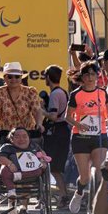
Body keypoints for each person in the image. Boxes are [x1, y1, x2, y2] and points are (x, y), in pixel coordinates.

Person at [67, 62, 108, 214]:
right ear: (82, 77)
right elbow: (68, 117)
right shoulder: (76, 94)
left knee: (99, 172)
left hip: (99, 136)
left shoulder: (103, 93)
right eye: (87, 74)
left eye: (93, 74)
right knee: (85, 177)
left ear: (97, 76)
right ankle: (79, 192)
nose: (90, 77)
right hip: (80, 137)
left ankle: (97, 204)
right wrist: (79, 125)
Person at [0, 128, 52, 214]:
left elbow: (43, 156)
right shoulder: (7, 147)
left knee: (39, 168)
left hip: (30, 175)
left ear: (29, 138)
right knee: (4, 169)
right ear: (11, 139)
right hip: (11, 173)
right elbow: (1, 158)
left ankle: (22, 205)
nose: (21, 139)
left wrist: (42, 161)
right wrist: (10, 164)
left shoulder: (34, 146)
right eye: (17, 137)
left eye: (24, 136)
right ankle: (12, 196)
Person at [0, 61, 45, 143]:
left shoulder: (30, 92)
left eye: (17, 76)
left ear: (21, 78)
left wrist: (39, 124)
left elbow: (37, 110)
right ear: (4, 78)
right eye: (10, 77)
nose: (14, 79)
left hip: (27, 136)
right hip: (6, 136)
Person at [42, 65, 72, 204]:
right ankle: (63, 194)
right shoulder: (63, 92)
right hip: (63, 130)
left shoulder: (55, 93)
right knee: (56, 166)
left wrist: (42, 110)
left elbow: (53, 116)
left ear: (48, 77)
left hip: (57, 132)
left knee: (53, 166)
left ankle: (63, 195)